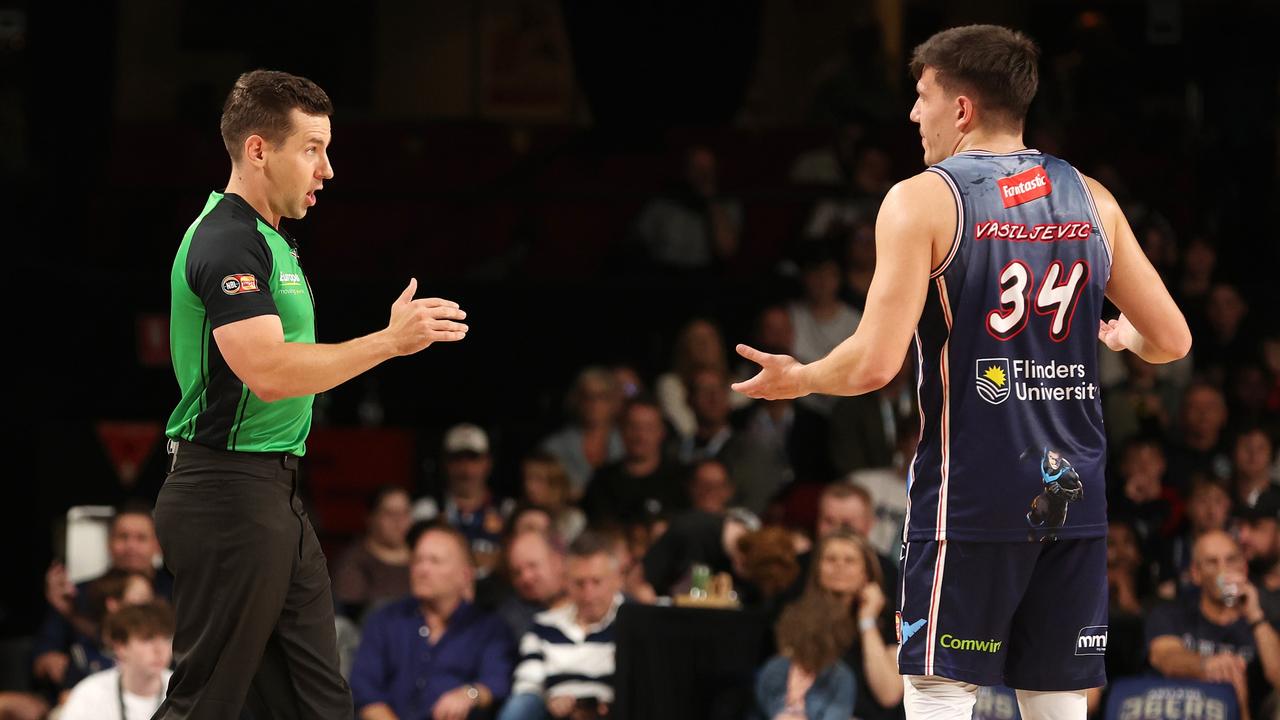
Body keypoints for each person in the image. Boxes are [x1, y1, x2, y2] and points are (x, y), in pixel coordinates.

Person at [732, 25, 1192, 720]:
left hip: (972, 499)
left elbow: (873, 364)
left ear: (963, 108)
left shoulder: (923, 199)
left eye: (922, 97)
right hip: (1074, 499)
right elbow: (1172, 339)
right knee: (1057, 703)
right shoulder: (1093, 199)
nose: (914, 114)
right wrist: (1125, 337)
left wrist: (799, 378)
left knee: (939, 694)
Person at [157, 70, 469, 720]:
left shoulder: (271, 240)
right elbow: (267, 372)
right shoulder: (226, 240)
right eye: (312, 148)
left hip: (272, 493)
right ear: (259, 150)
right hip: (226, 494)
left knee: (317, 705)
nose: (326, 169)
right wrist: (388, 342)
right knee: (205, 707)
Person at [351, 523, 514, 720]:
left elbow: (497, 681)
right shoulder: (384, 620)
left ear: (465, 575)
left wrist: (470, 694)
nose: (422, 569)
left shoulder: (489, 628)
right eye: (418, 560)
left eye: (435, 561)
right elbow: (366, 691)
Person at [1145, 530, 1280, 718]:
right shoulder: (1171, 613)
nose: (1223, 570)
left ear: (1244, 567)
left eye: (1231, 560)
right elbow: (1165, 656)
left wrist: (1255, 616)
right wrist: (1207, 665)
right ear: (1196, 574)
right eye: (1212, 562)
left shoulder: (1267, 617)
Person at [34, 503, 167, 690]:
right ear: (109, 543)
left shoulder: (178, 593)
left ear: (158, 545)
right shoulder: (77, 593)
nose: (131, 546)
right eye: (123, 537)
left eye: (141, 538)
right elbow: (43, 657)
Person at [500, 532, 626, 720]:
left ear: (616, 580)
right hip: (554, 713)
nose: (588, 593)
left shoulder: (632, 623)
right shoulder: (544, 625)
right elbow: (526, 685)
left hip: (612, 711)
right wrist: (550, 700)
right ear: (566, 581)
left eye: (596, 582)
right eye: (579, 583)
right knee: (521, 704)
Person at [60, 601, 175, 720]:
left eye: (167, 638)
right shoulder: (89, 694)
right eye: (147, 639)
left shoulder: (187, 691)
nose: (160, 650)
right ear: (121, 647)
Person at [538, 368, 625, 498]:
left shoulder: (628, 443)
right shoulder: (554, 448)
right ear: (577, 400)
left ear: (613, 402)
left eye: (602, 397)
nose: (594, 404)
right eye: (588, 397)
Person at [333, 485, 414, 620]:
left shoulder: (423, 557)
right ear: (371, 517)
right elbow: (350, 615)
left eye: (405, 513)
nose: (399, 521)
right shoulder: (353, 562)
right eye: (390, 514)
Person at [497, 530, 569, 641]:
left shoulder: (586, 593)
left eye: (532, 566)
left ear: (557, 561)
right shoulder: (511, 618)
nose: (525, 578)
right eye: (517, 572)